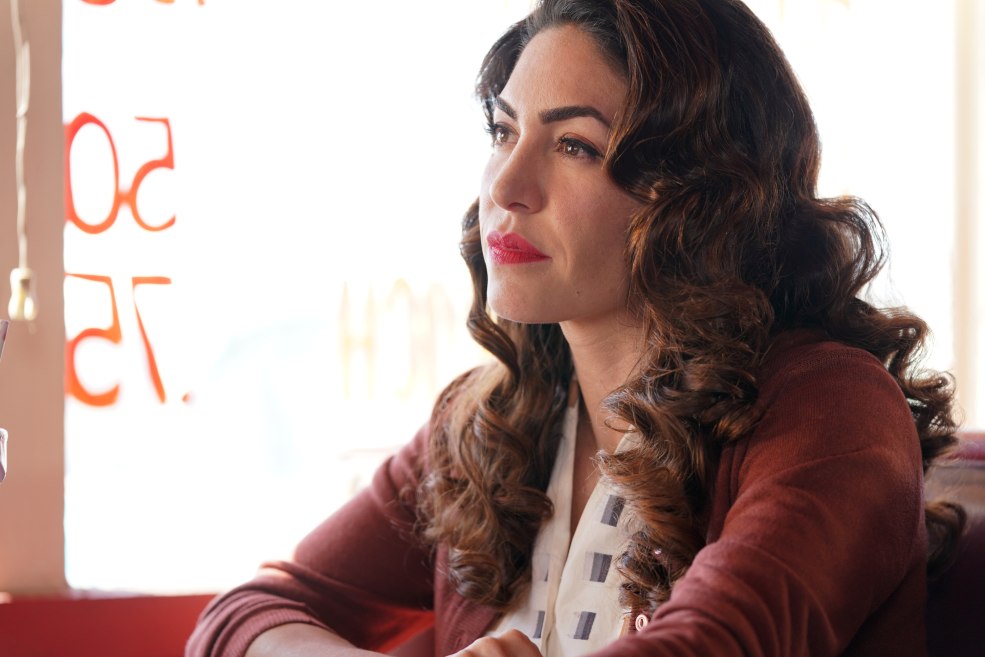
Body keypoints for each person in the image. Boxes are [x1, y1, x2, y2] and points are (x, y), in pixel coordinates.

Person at [186, 1, 966, 655]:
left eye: (574, 146)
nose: (506, 186)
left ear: (699, 196)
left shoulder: (830, 410)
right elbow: (245, 613)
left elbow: (712, 644)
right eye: (503, 132)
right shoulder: (484, 423)